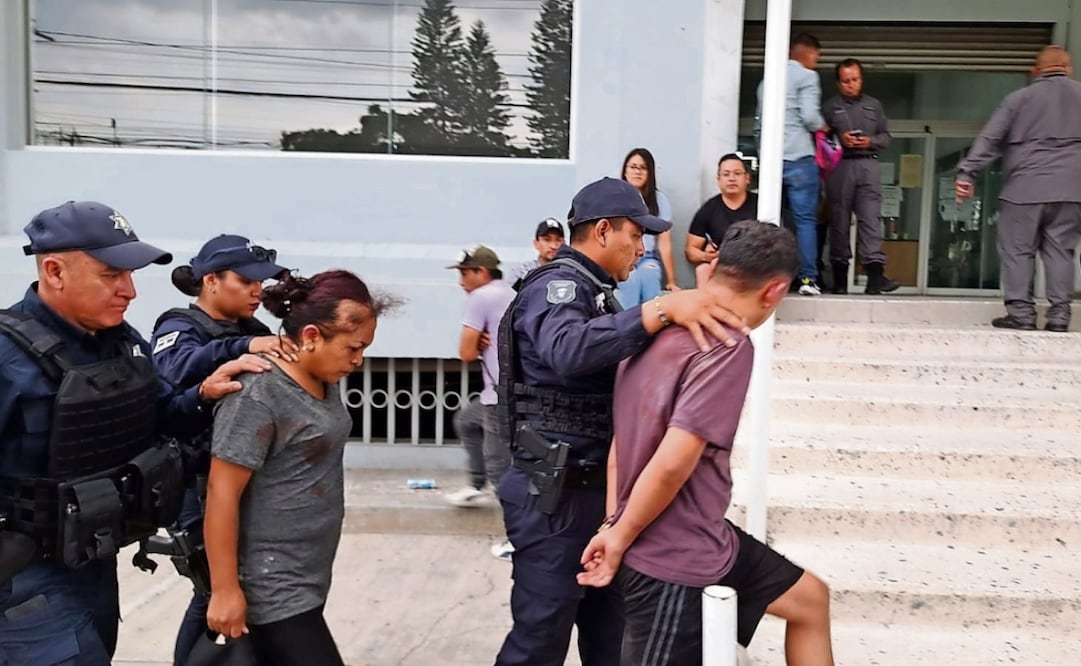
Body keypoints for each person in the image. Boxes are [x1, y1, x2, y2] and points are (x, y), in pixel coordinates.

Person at [494, 176, 748, 666]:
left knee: (609, 639)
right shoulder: (559, 286)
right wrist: (659, 309)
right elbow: (567, 350)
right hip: (556, 498)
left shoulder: (598, 293)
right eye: (636, 234)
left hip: (594, 498)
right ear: (604, 231)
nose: (642, 248)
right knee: (540, 640)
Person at [0, 201, 265, 665]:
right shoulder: (8, 356)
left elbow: (162, 415)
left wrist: (204, 394)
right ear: (56, 271)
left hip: (93, 564)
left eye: (131, 275)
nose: (130, 291)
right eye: (111, 275)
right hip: (23, 582)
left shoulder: (121, 341)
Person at [578, 220, 834, 666]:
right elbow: (674, 461)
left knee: (810, 599)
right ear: (774, 291)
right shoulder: (727, 343)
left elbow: (622, 437)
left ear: (715, 265)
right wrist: (618, 536)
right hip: (673, 561)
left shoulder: (653, 322)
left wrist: (613, 522)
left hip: (706, 541)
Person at [204, 270, 395, 666]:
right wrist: (225, 591)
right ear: (311, 336)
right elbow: (222, 492)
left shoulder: (325, 375)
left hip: (309, 575)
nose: (358, 361)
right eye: (353, 348)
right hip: (271, 584)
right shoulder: (258, 394)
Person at [150, 234, 293, 666]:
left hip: (242, 479)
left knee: (230, 592)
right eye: (247, 281)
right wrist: (240, 347)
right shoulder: (179, 326)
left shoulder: (251, 329)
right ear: (211, 280)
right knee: (213, 591)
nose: (257, 291)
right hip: (197, 485)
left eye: (261, 282)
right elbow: (174, 369)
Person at [955, 46, 1081, 333]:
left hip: (1024, 189)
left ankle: (1021, 314)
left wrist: (966, 173)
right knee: (1062, 252)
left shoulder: (1018, 99)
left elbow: (990, 138)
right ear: (1068, 68)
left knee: (1018, 250)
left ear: (1035, 70)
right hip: (1072, 190)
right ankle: (1060, 317)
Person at [442, 245, 518, 561]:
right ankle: (476, 484)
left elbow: (465, 353)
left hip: (498, 394)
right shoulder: (509, 292)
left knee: (501, 467)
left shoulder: (481, 297)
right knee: (466, 421)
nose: (460, 281)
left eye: (464, 273)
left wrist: (479, 339)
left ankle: (518, 539)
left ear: (481, 272)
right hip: (510, 388)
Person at [755, 32, 827, 296]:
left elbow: (758, 124)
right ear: (807, 53)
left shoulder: (767, 80)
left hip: (772, 160)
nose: (816, 63)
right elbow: (809, 117)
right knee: (805, 221)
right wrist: (823, 125)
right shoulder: (808, 76)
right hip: (799, 158)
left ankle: (768, 278)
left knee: (771, 221)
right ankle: (808, 280)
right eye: (816, 57)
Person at [823, 58, 900, 295]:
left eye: (855, 79)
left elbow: (886, 137)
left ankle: (875, 278)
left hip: (868, 164)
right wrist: (839, 138)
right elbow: (818, 139)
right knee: (839, 222)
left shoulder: (874, 105)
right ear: (838, 83)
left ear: (861, 79)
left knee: (870, 221)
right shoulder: (830, 107)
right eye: (846, 81)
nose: (851, 85)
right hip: (840, 166)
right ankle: (839, 281)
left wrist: (870, 141)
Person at [617, 148, 681, 305]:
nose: (638, 171)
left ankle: (651, 326)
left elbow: (664, 243)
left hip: (647, 258)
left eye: (643, 167)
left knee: (650, 275)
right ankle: (627, 326)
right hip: (622, 257)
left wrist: (671, 281)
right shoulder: (615, 198)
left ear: (650, 173)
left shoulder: (659, 201)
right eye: (633, 167)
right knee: (630, 280)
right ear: (625, 171)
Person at [686, 153, 760, 265]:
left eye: (737, 173)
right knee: (703, 270)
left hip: (756, 266)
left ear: (747, 178)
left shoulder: (762, 205)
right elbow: (691, 251)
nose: (731, 178)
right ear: (719, 180)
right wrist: (709, 256)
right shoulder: (709, 209)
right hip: (723, 268)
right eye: (726, 174)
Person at [512, 218, 566, 290]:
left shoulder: (570, 271)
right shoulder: (522, 272)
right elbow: (509, 298)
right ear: (536, 244)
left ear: (564, 243)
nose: (553, 246)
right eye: (547, 240)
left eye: (558, 240)